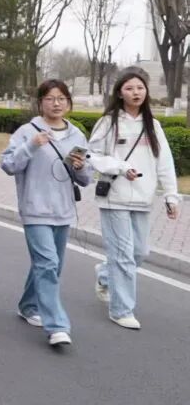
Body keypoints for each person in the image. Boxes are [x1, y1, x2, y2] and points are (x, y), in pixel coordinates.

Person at [0, 79, 90, 347]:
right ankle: (57, 326)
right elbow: (8, 164)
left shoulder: (77, 135)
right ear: (41, 103)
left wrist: (80, 167)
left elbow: (85, 179)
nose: (56, 103)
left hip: (63, 210)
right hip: (35, 209)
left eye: (61, 98)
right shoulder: (27, 132)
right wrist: (32, 145)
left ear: (69, 103)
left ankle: (28, 305)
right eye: (50, 98)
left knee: (51, 265)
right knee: (48, 263)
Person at [88, 69, 180, 330]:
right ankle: (121, 309)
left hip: (143, 198)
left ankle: (105, 275)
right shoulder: (108, 122)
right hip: (115, 197)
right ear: (120, 93)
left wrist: (171, 196)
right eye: (129, 88)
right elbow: (91, 154)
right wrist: (120, 167)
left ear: (146, 92)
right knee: (123, 255)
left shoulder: (153, 125)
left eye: (140, 88)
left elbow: (165, 163)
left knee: (139, 253)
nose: (135, 92)